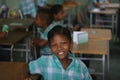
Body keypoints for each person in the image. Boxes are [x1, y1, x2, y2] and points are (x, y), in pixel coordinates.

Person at [25, 25, 93, 80]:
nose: (59, 48)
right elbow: (25, 68)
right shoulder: (45, 61)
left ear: (70, 44)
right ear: (50, 47)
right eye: (54, 45)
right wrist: (26, 77)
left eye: (63, 43)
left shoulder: (80, 66)